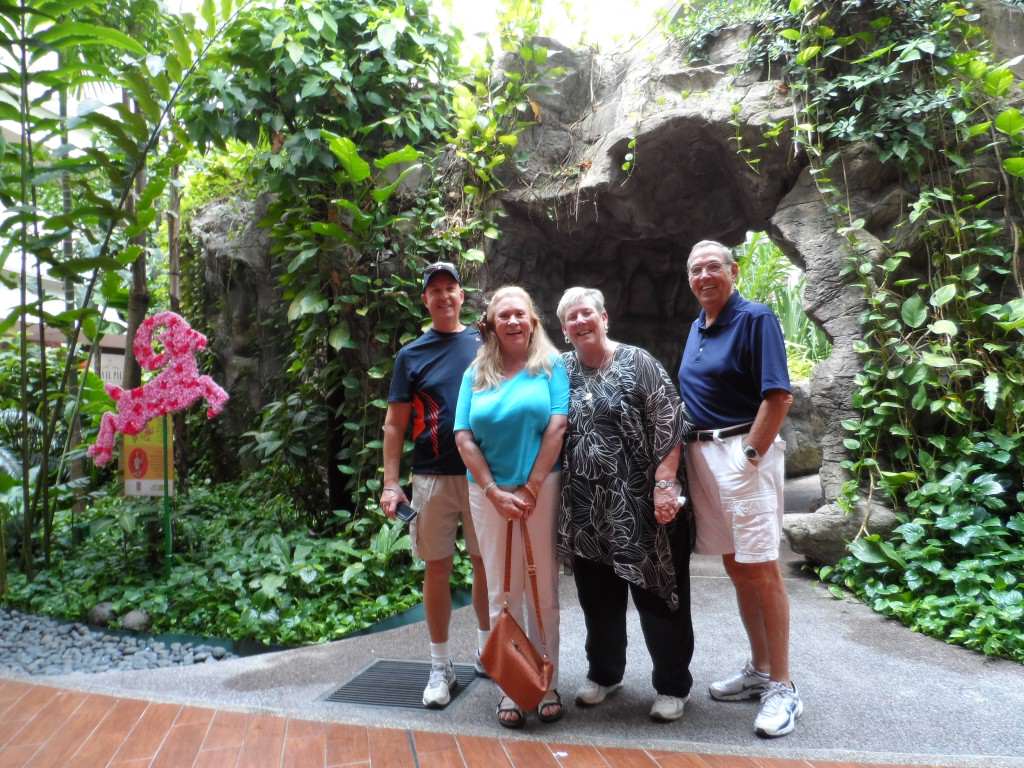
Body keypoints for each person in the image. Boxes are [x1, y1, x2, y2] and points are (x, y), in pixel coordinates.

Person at [677, 240, 800, 738]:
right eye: (695, 269)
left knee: (761, 566)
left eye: (713, 266)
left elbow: (778, 394)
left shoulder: (755, 318)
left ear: (733, 271)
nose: (704, 275)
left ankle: (784, 686)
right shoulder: (697, 327)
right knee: (735, 562)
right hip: (702, 455)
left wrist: (751, 454)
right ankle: (758, 668)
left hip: (741, 452)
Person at [556, 287, 694, 723]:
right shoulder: (560, 371)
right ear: (563, 330)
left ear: (604, 317)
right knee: (597, 599)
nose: (580, 322)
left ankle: (672, 685)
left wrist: (665, 484)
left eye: (586, 314)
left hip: (642, 506)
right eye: (571, 318)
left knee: (658, 594)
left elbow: (671, 423)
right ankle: (605, 673)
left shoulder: (639, 362)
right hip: (585, 510)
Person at [453, 285, 568, 729]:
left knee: (542, 589)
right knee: (503, 590)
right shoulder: (475, 374)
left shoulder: (550, 366)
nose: (514, 322)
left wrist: (532, 486)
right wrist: (493, 491)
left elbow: (557, 427)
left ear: (533, 321)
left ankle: (547, 680)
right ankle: (511, 685)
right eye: (505, 316)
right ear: (493, 326)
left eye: (521, 314)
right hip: (489, 495)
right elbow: (462, 436)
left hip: (542, 489)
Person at [380, 261, 490, 709]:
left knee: (487, 564)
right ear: (424, 300)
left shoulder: (486, 342)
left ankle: (489, 649)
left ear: (462, 296)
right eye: (435, 291)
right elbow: (394, 425)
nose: (444, 296)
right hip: (430, 477)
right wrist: (391, 484)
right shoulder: (412, 354)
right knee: (437, 568)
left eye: (451, 288)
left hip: (484, 475)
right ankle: (439, 664)